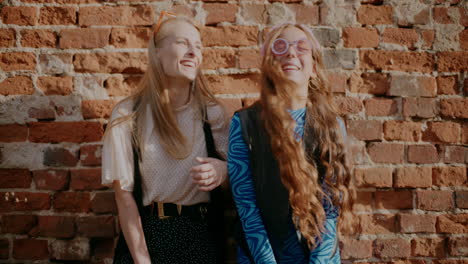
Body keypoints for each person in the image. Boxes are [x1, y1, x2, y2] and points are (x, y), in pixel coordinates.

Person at [101, 12, 229, 264]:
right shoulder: (128, 115)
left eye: (198, 46)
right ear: (157, 51)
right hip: (148, 238)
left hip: (202, 237)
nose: (193, 51)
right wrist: (142, 260)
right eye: (183, 43)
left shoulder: (212, 113)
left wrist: (222, 170)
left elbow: (241, 179)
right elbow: (124, 197)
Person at [227, 23, 355, 264]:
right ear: (268, 67)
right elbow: (247, 208)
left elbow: (331, 210)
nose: (291, 53)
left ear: (314, 68)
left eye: (301, 47)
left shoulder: (332, 126)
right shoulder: (244, 124)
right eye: (280, 46)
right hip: (260, 256)